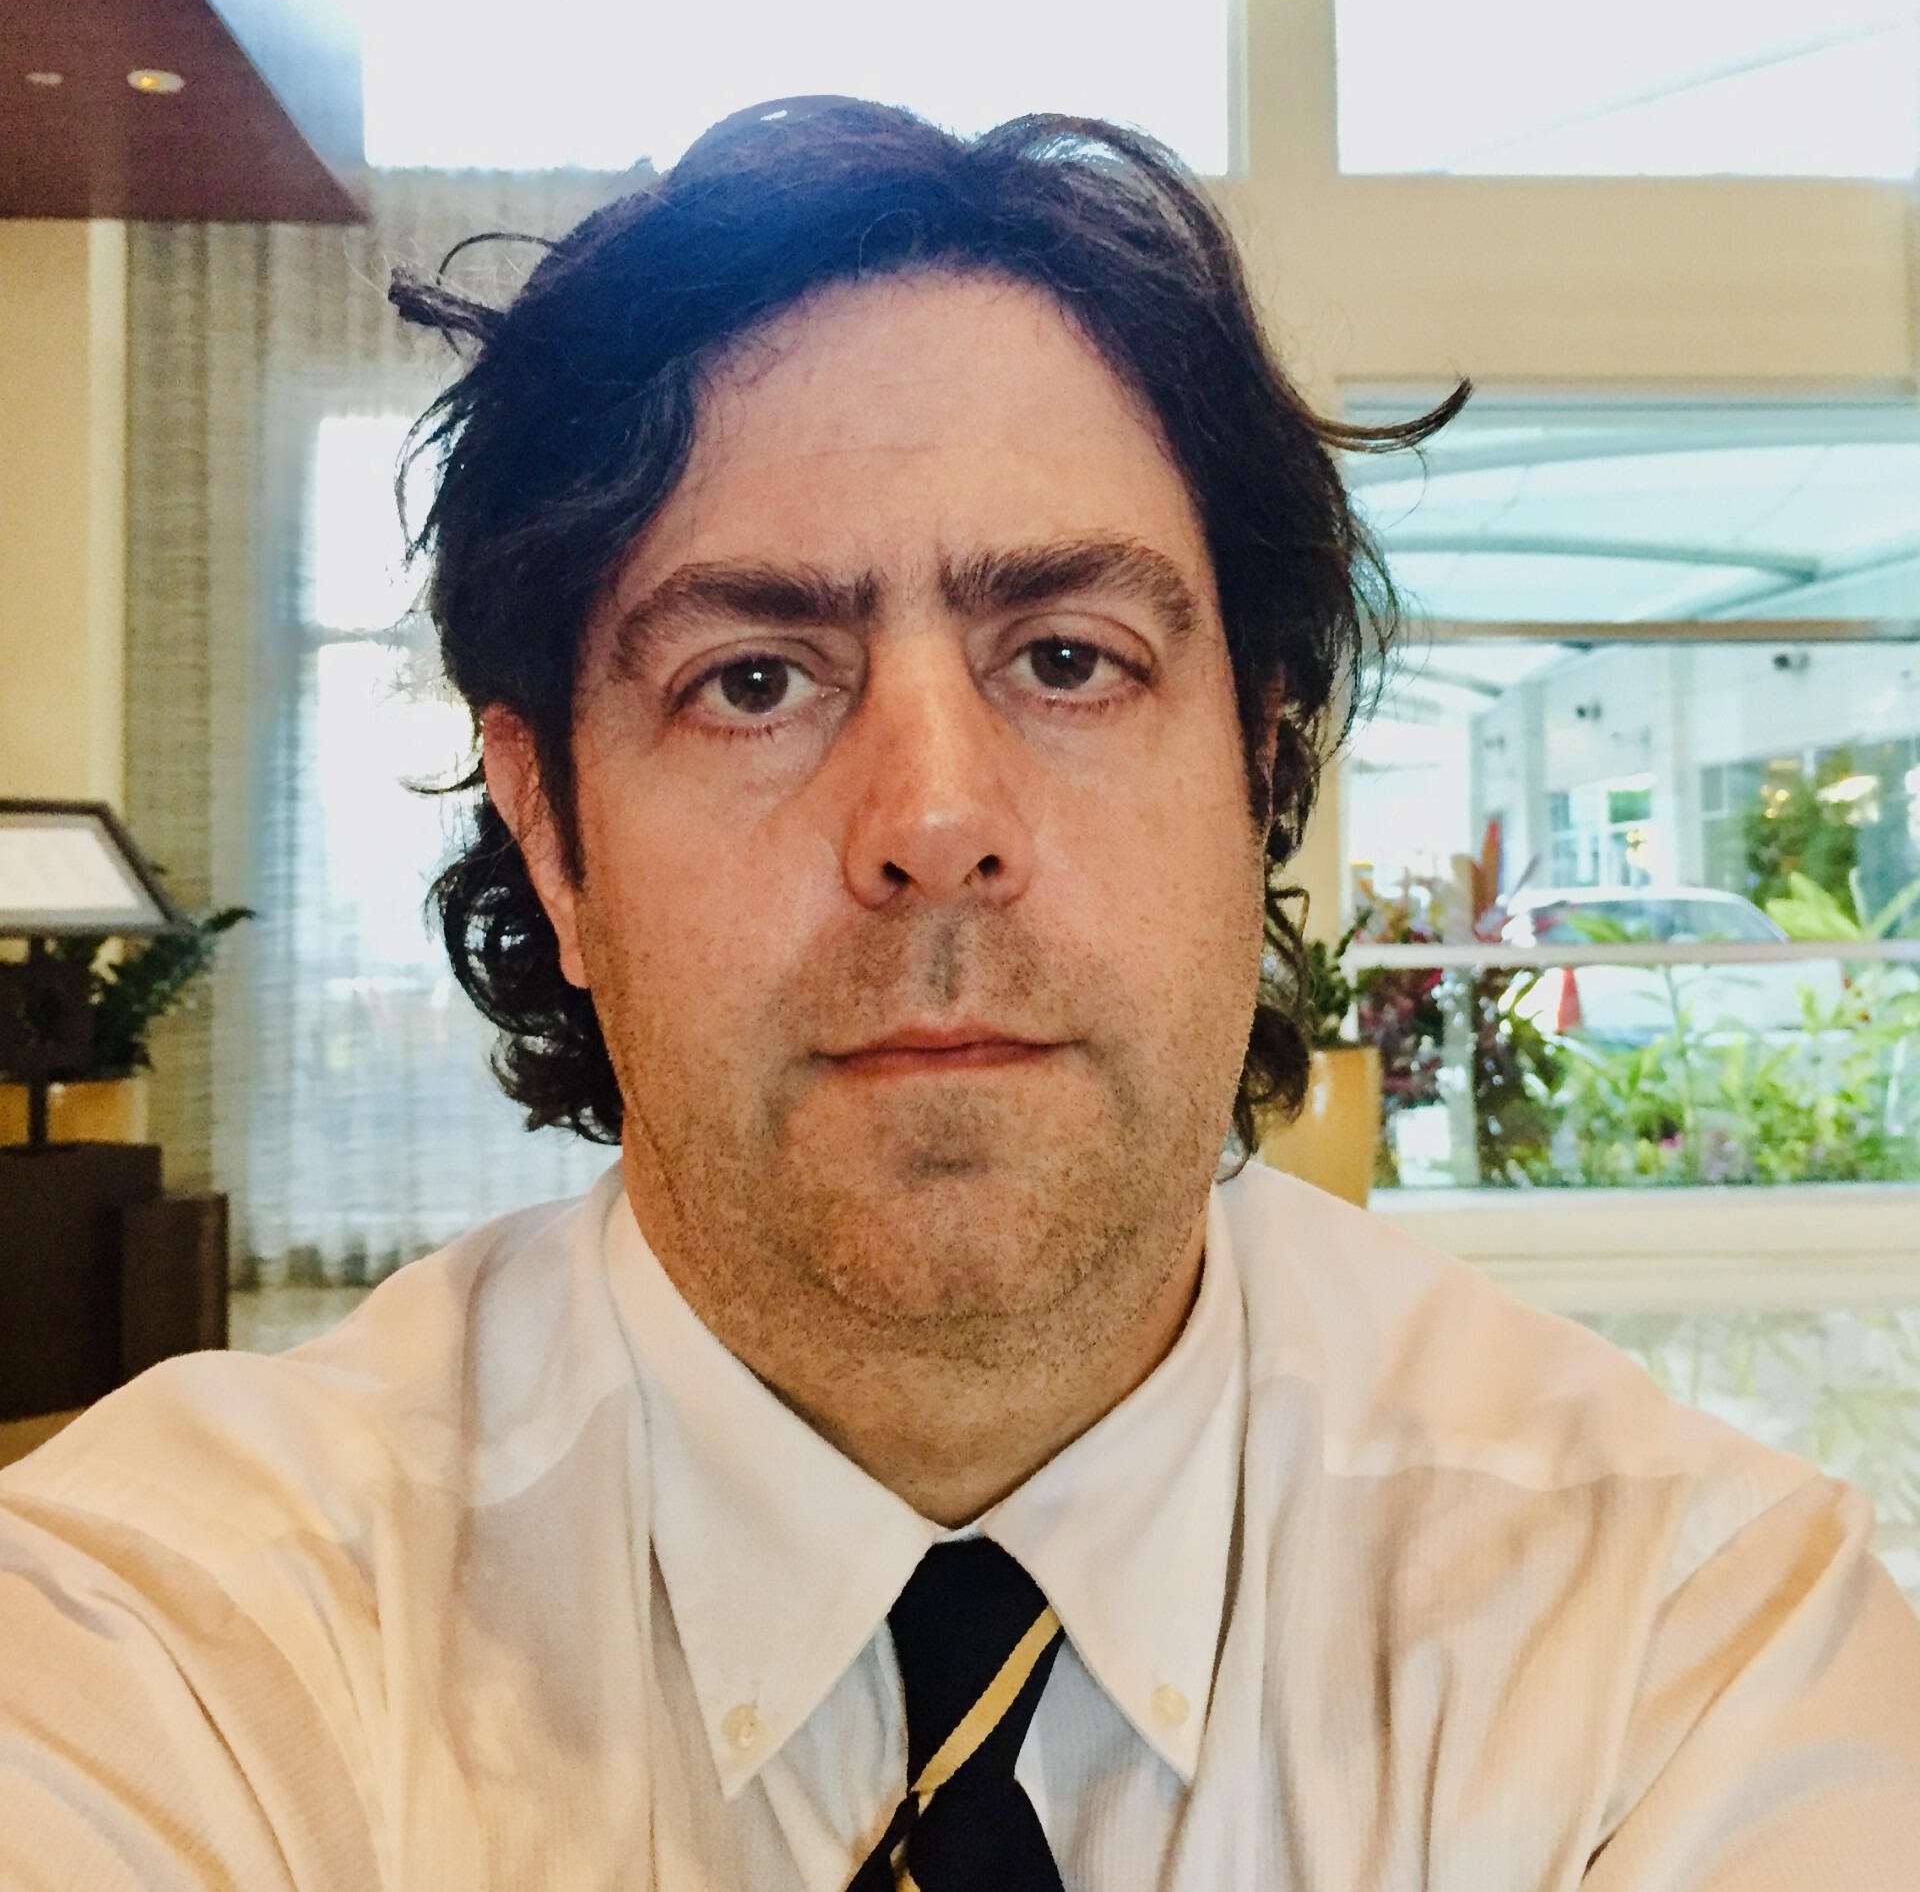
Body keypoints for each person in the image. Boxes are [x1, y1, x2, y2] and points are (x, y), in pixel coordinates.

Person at [2, 97, 1917, 1892]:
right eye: (754, 678)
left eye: (1068, 656)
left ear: (1257, 776)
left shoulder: (1682, 1646)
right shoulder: (167, 1652)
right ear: (552, 835)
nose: (934, 821)